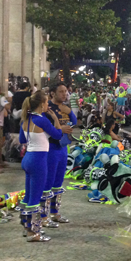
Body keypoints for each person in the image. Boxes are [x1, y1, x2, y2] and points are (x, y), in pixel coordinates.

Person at [18, 91, 62, 242]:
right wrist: (56, 119)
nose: (48, 104)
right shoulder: (42, 120)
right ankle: (34, 233)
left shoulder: (26, 118)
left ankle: (26, 227)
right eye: (47, 102)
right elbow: (57, 135)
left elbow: (21, 138)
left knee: (28, 196)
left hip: (28, 158)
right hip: (38, 160)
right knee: (35, 199)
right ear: (42, 104)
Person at [42, 82, 77, 228]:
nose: (65, 94)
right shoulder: (47, 108)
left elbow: (74, 122)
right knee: (47, 184)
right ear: (53, 93)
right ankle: (43, 216)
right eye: (61, 92)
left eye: (66, 91)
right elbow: (43, 126)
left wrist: (68, 112)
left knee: (58, 183)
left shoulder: (65, 107)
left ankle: (55, 213)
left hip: (63, 148)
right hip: (51, 148)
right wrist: (60, 128)